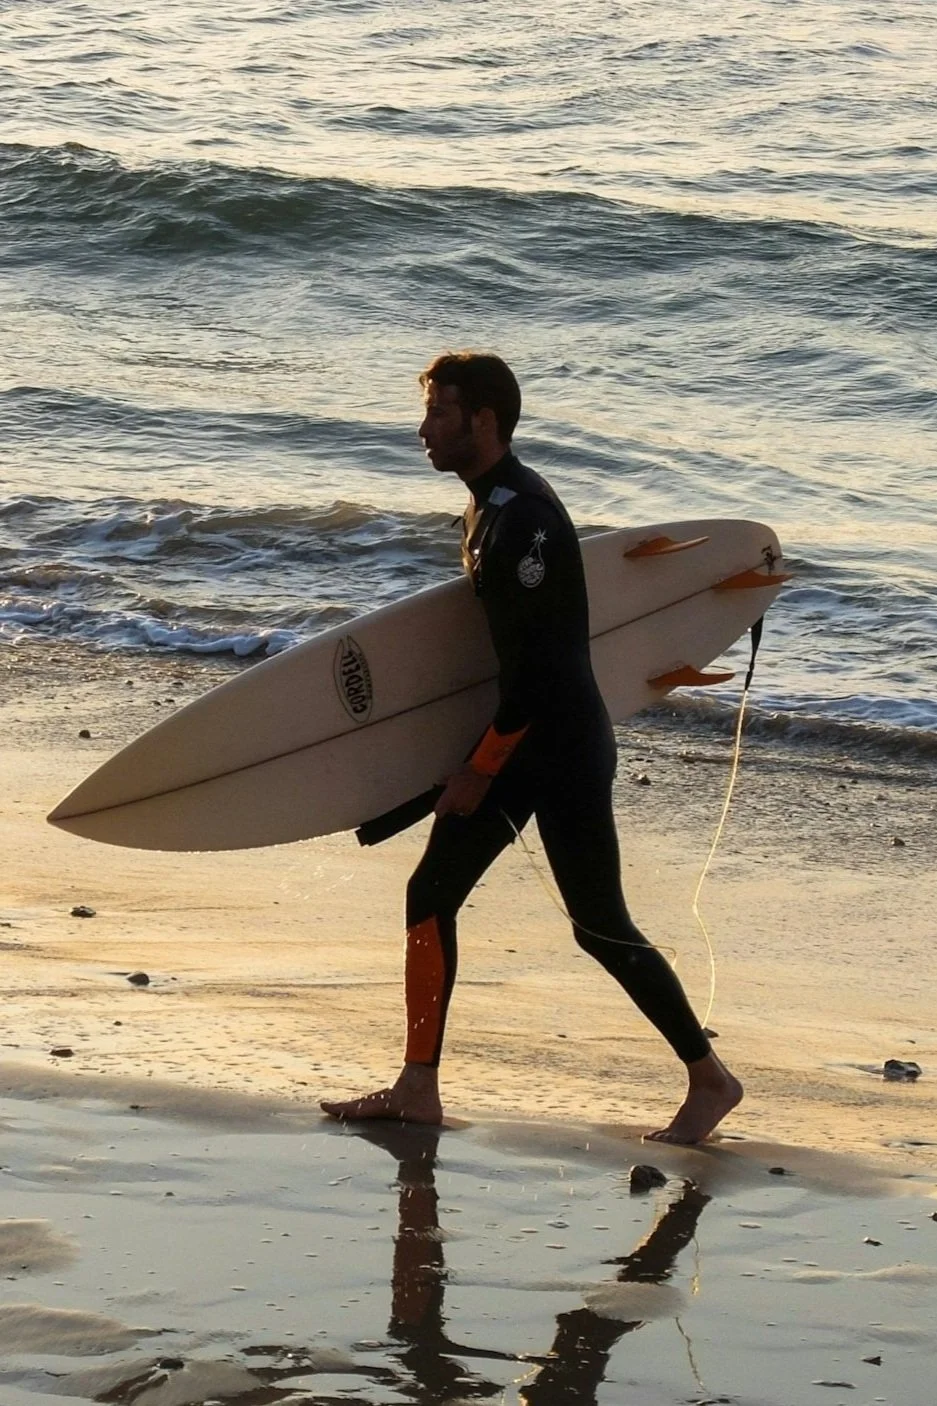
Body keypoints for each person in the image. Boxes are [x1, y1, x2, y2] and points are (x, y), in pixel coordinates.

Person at [321, 351, 742, 1143]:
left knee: (593, 922)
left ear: (484, 421)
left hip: (556, 745)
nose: (424, 430)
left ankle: (709, 1079)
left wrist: (479, 771)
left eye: (440, 414)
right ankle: (418, 1087)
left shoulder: (523, 522)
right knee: (442, 896)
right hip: (535, 739)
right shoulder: (490, 507)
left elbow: (542, 670)